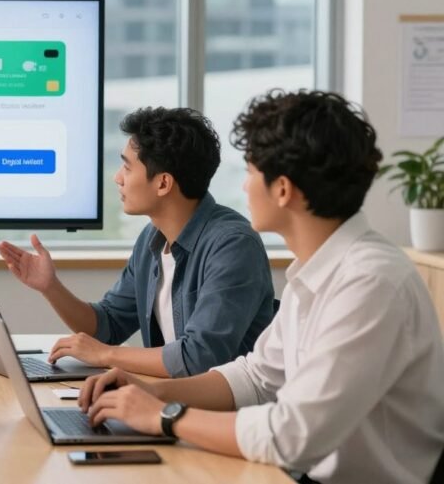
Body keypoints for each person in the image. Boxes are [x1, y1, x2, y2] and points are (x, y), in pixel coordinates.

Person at [78, 90, 444, 484]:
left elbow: (291, 437)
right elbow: (256, 377)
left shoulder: (370, 283)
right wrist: (154, 393)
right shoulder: (317, 271)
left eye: (251, 172)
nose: (244, 187)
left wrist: (165, 416)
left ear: (282, 190)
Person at [0, 107, 275, 377]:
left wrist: (106, 355)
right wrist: (50, 287)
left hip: (228, 407)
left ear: (163, 183)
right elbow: (107, 326)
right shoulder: (151, 239)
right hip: (169, 398)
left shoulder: (233, 246)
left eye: (127, 167)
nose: (117, 178)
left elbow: (199, 357)